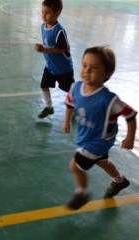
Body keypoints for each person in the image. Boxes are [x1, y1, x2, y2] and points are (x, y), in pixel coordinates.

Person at [63, 46, 137, 210]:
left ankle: (82, 193)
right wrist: (67, 121)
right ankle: (119, 181)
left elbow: (130, 115)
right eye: (84, 65)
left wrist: (129, 138)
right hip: (88, 137)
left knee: (75, 165)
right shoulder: (76, 88)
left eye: (94, 67)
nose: (87, 71)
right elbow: (69, 103)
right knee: (102, 162)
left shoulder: (109, 99)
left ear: (107, 73)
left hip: (101, 140)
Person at [35, 0, 74, 119]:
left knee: (71, 91)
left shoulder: (59, 31)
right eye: (42, 12)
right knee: (44, 85)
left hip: (63, 69)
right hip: (50, 66)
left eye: (47, 13)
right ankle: (49, 107)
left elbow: (60, 50)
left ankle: (78, 107)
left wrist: (43, 50)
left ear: (57, 13)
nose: (43, 15)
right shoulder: (43, 26)